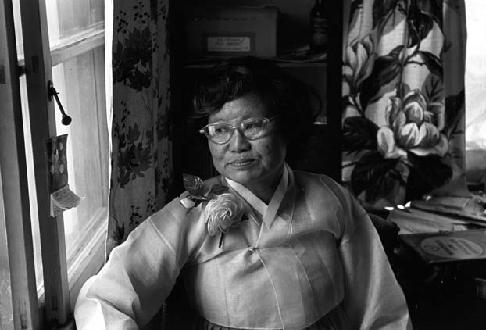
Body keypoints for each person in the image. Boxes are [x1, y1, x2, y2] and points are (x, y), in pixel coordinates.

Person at [75, 57, 412, 329]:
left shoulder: (329, 197)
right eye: (220, 130)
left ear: (286, 127)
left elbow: (377, 299)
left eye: (253, 126)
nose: (237, 145)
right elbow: (107, 295)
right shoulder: (193, 210)